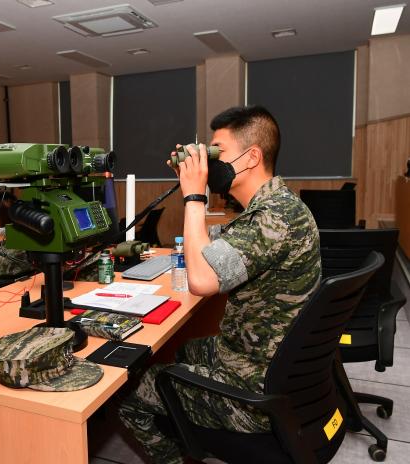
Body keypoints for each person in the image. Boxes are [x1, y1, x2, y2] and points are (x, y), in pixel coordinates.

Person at [118, 106, 321, 463]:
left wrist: (194, 196)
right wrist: (190, 170)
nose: (211, 164)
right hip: (270, 362)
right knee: (176, 352)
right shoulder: (281, 206)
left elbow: (199, 279)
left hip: (253, 388)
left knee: (129, 392)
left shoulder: (272, 218)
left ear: (252, 156)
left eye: (217, 152)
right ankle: (185, 430)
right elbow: (218, 251)